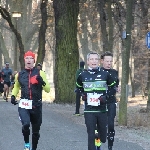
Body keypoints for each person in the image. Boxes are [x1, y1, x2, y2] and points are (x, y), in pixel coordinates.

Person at [76, 52, 116, 150]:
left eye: (96, 59)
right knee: (91, 134)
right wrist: (83, 95)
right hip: (89, 110)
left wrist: (105, 97)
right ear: (88, 61)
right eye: (91, 59)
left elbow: (113, 88)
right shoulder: (82, 75)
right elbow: (78, 88)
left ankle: (99, 141)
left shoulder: (105, 74)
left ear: (98, 62)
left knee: (102, 137)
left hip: (102, 110)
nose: (94, 61)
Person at [11, 50, 50, 150]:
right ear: (24, 60)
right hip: (24, 104)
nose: (29, 60)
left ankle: (34, 148)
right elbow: (16, 86)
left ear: (34, 60)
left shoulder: (40, 73)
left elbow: (48, 89)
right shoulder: (19, 75)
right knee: (26, 124)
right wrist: (13, 96)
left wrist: (42, 82)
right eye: (27, 58)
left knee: (36, 132)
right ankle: (27, 144)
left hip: (36, 105)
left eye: (31, 58)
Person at [101, 51, 119, 150]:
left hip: (111, 101)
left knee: (111, 124)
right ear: (102, 61)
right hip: (100, 102)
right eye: (107, 61)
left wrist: (117, 88)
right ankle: (97, 145)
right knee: (100, 125)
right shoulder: (98, 72)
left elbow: (116, 85)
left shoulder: (114, 72)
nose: (109, 63)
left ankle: (110, 147)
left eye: (110, 61)